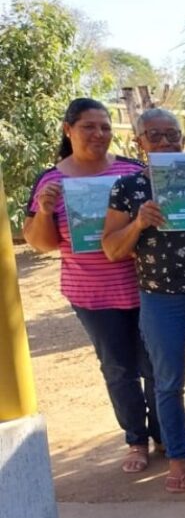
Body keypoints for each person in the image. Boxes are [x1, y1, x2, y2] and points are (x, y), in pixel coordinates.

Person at [23, 98, 158, 475]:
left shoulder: (134, 170)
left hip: (146, 285)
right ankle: (136, 438)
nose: (98, 134)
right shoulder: (51, 180)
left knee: (155, 365)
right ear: (69, 129)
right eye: (88, 126)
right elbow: (42, 243)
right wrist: (46, 211)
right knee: (118, 368)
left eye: (104, 127)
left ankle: (165, 435)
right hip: (93, 293)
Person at [100, 109, 185, 492]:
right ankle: (177, 455)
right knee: (167, 381)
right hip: (160, 298)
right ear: (139, 142)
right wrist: (139, 222)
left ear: (183, 140)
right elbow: (111, 248)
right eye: (154, 136)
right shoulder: (127, 189)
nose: (164, 143)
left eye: (172, 135)